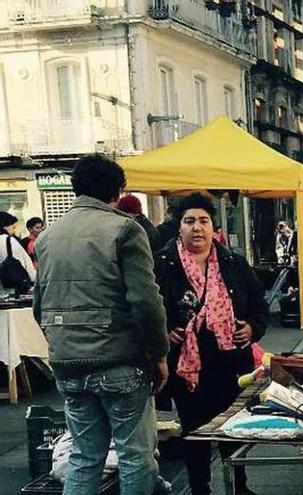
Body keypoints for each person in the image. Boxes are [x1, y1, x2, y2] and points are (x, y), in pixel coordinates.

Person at [32, 154, 169, 495]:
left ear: (75, 188)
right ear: (117, 191)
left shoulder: (48, 237)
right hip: (118, 359)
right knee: (136, 456)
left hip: (67, 363)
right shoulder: (124, 229)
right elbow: (145, 301)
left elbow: (39, 306)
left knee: (84, 455)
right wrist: (159, 353)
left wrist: (62, 340)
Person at [154, 193, 267, 495]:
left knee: (234, 426)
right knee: (194, 429)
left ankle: (238, 487)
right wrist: (162, 332)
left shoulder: (234, 262)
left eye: (203, 220)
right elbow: (145, 307)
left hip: (231, 360)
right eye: (189, 221)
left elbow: (259, 302)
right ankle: (199, 488)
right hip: (186, 363)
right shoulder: (162, 263)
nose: (197, 227)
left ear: (213, 226)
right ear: (178, 227)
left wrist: (253, 328)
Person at [0, 212, 36, 285]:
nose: (13, 231)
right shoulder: (9, 240)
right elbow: (24, 264)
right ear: (4, 227)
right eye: (13, 228)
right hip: (14, 286)